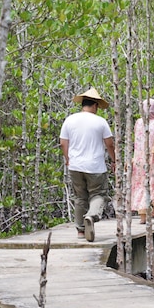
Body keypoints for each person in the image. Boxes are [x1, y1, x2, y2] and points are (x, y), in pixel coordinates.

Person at [60, 87, 116, 242]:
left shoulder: (69, 120)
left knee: (79, 197)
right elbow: (109, 144)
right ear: (95, 105)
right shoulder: (101, 122)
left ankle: (80, 231)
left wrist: (67, 158)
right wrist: (114, 160)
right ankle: (91, 216)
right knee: (98, 194)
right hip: (96, 166)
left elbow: (63, 143)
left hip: (75, 165)